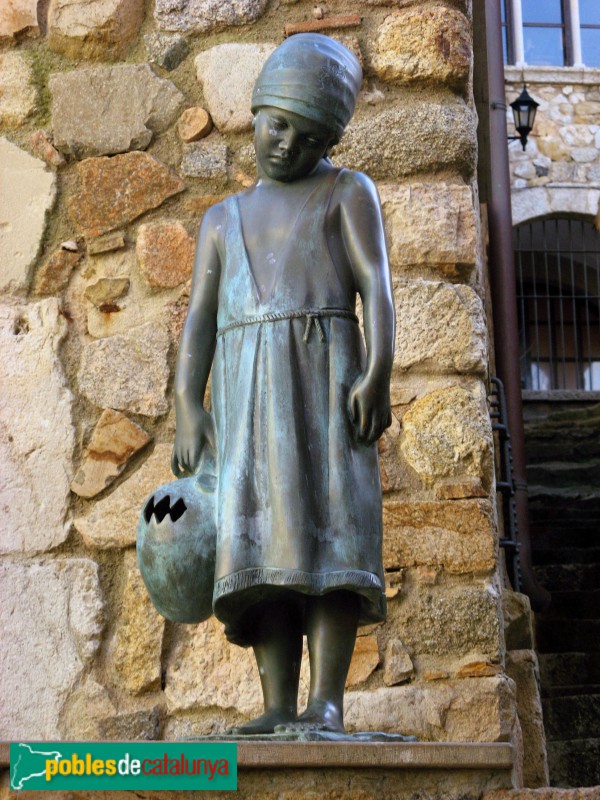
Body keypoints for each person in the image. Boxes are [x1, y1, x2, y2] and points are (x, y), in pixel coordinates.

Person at [172, 33, 395, 735]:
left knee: (333, 536)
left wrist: (378, 371)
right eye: (277, 125)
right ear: (256, 112)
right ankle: (275, 704)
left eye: (307, 136)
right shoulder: (220, 220)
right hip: (245, 398)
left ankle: (325, 702)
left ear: (330, 141)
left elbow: (376, 286)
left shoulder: (348, 192)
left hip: (326, 387)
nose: (286, 145)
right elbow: (200, 319)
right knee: (258, 543)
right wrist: (187, 403)